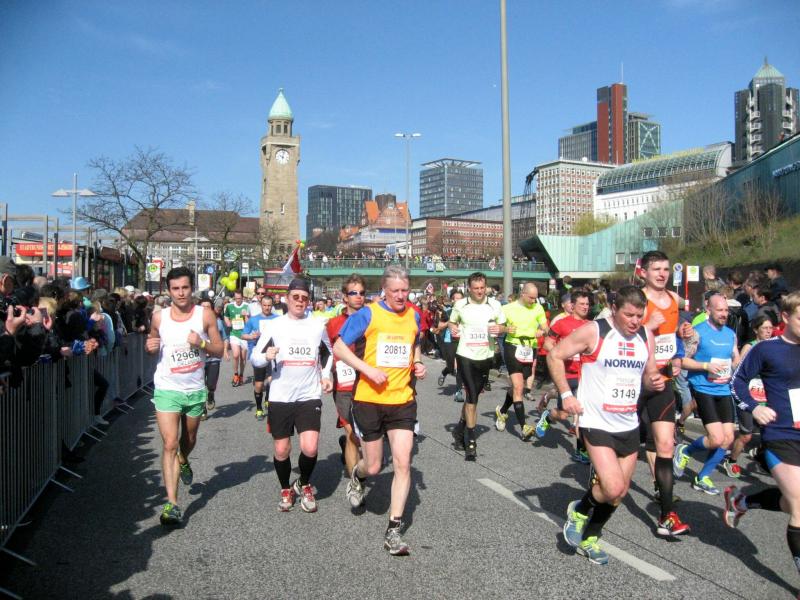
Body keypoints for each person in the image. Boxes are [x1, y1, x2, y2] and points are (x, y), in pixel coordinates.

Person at [555, 286, 665, 565]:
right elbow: (554, 355)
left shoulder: (646, 336)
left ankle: (590, 537)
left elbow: (649, 373)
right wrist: (567, 395)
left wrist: (654, 381)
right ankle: (579, 511)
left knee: (619, 493)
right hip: (595, 420)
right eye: (629, 315)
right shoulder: (595, 331)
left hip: (627, 422)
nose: (635, 321)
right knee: (613, 486)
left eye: (639, 315)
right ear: (614, 309)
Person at [333, 265, 425, 556]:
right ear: (384, 290)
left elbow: (415, 343)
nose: (401, 295)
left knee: (402, 464)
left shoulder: (414, 315)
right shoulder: (367, 314)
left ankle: (393, 530)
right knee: (373, 466)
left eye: (405, 290)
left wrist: (417, 363)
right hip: (369, 399)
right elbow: (339, 348)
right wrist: (367, 370)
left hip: (402, 400)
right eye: (395, 290)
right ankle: (358, 476)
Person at [726, 291, 800, 585]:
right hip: (781, 435)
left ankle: (742, 501)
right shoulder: (767, 349)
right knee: (799, 506)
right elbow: (737, 382)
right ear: (786, 317)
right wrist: (754, 408)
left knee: (791, 501)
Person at [145, 267, 224, 527]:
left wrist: (200, 344)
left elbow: (219, 350)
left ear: (192, 289)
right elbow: (152, 343)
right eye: (176, 288)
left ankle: (184, 457)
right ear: (169, 291)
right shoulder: (159, 318)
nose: (181, 293)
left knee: (188, 439)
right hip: (167, 388)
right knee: (169, 443)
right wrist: (149, 346)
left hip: (194, 389)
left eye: (185, 288)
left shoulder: (205, 315)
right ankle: (172, 504)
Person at [253, 278, 333, 513]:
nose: (300, 301)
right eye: (295, 297)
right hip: (280, 396)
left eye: (304, 298)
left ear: (309, 301)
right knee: (282, 450)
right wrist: (266, 356)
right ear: (287, 299)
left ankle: (304, 483)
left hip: (309, 394)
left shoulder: (317, 325)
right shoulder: (274, 326)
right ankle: (285, 488)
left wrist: (325, 375)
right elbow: (255, 357)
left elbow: (328, 353)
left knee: (310, 447)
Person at [637, 250, 691, 537]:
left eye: (665, 269)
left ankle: (667, 515)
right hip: (632, 381)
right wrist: (647, 326)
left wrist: (680, 344)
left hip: (662, 379)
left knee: (666, 444)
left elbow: (669, 339)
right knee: (620, 445)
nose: (661, 274)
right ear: (644, 272)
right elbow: (620, 336)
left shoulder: (673, 300)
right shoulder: (636, 300)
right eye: (656, 269)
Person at [674, 293, 740, 496]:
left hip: (723, 389)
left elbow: (735, 358)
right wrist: (705, 366)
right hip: (703, 389)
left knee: (728, 439)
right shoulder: (697, 332)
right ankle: (685, 451)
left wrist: (737, 366)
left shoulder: (731, 334)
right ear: (708, 310)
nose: (724, 314)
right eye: (719, 310)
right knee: (716, 438)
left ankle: (702, 477)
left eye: (726, 310)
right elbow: (682, 360)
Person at [448, 272, 506, 461]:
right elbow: (452, 322)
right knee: (472, 395)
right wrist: (452, 327)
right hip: (465, 354)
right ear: (469, 289)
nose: (480, 291)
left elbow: (503, 326)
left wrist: (499, 329)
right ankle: (471, 441)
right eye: (476, 288)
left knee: (473, 398)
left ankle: (459, 428)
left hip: (486, 355)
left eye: (482, 288)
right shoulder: (460, 304)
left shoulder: (495, 304)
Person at [536, 291, 592, 462]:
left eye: (587, 304)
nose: (585, 307)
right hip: (565, 374)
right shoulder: (562, 324)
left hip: (584, 375)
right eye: (582, 304)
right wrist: (560, 352)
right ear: (572, 305)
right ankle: (548, 415)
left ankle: (581, 451)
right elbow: (547, 343)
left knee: (582, 413)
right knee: (562, 415)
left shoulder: (591, 326)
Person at [326, 274, 367, 484]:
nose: (358, 297)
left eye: (362, 293)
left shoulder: (372, 320)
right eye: (353, 293)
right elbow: (324, 352)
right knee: (352, 432)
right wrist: (325, 375)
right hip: (343, 385)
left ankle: (352, 453)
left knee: (364, 434)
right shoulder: (333, 324)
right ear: (344, 297)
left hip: (367, 384)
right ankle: (356, 485)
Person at [494, 282, 547, 439]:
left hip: (529, 349)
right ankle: (524, 427)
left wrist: (542, 331)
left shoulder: (537, 307)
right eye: (531, 298)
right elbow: (497, 327)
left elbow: (545, 326)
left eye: (535, 298)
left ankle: (502, 411)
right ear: (522, 294)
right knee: (518, 387)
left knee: (518, 387)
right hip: (513, 346)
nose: (533, 301)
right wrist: (505, 329)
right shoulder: (507, 308)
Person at [723, 315, 774, 475]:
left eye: (770, 328)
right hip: (748, 396)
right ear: (756, 330)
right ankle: (731, 460)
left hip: (766, 396)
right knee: (746, 436)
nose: (768, 331)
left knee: (771, 433)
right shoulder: (749, 347)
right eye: (765, 328)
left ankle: (760, 455)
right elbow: (739, 372)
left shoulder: (774, 346)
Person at [242, 294, 278, 420]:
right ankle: (259, 408)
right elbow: (243, 335)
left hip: (273, 354)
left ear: (272, 306)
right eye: (264, 305)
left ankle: (268, 399)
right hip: (259, 355)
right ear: (260, 305)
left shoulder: (278, 319)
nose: (267, 308)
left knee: (272, 380)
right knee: (259, 385)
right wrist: (252, 336)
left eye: (269, 305)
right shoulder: (253, 319)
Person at [199, 298, 228, 421]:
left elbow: (225, 338)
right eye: (203, 307)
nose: (205, 309)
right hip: (199, 359)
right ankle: (202, 410)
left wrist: (225, 351)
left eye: (208, 307)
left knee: (211, 384)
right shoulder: (193, 323)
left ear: (212, 309)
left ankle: (210, 394)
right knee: (200, 385)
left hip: (213, 358)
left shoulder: (218, 322)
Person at [437, 289, 465, 401]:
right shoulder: (448, 311)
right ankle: (445, 372)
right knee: (452, 367)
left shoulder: (467, 312)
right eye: (456, 298)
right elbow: (439, 326)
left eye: (460, 298)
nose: (458, 300)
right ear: (452, 300)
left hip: (463, 340)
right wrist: (449, 323)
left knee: (460, 366)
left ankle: (458, 392)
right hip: (449, 341)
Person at [224, 291, 249, 386]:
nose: (238, 300)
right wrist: (227, 322)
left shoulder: (247, 306)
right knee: (235, 355)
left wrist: (245, 316)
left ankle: (241, 375)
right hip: (234, 334)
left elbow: (249, 323)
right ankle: (235, 375)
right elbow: (226, 316)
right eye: (236, 298)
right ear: (234, 298)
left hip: (244, 335)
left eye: (239, 298)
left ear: (242, 298)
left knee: (243, 358)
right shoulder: (230, 306)